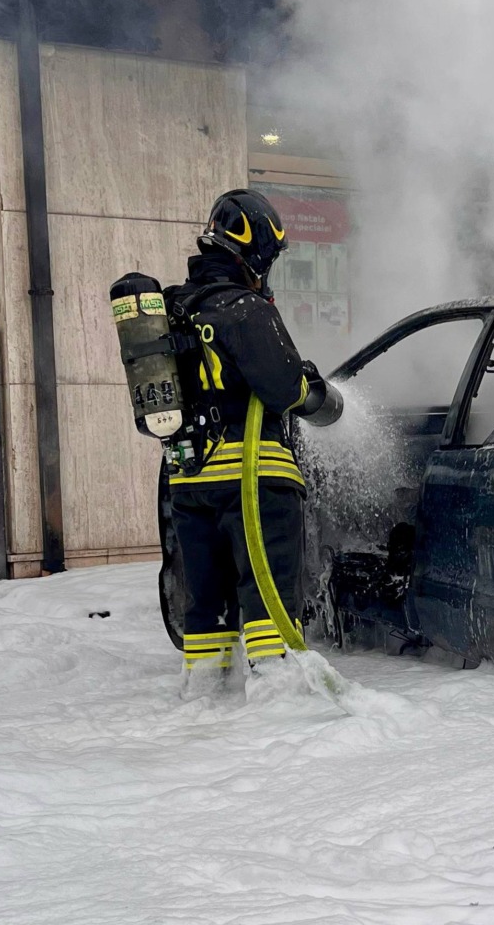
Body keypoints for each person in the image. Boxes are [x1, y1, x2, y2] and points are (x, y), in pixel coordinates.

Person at [161, 188, 320, 699]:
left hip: (191, 485)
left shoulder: (174, 309)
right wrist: (311, 388)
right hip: (254, 483)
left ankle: (203, 698)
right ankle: (276, 705)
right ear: (253, 252)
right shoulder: (244, 308)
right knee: (267, 595)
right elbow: (281, 387)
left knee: (205, 601)